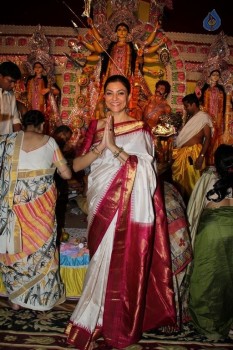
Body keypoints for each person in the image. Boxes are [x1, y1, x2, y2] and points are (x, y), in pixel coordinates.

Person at [65, 74, 176, 349]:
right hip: (101, 200)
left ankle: (111, 321)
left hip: (127, 204)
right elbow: (77, 166)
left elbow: (148, 171)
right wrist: (100, 147)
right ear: (104, 96)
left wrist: (114, 148)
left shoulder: (140, 128)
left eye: (121, 93)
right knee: (99, 259)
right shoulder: (95, 125)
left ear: (129, 97)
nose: (115, 98)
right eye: (110, 93)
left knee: (119, 260)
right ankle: (94, 315)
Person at [0, 110, 72, 311]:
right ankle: (43, 300)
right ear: (42, 125)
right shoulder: (49, 142)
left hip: (13, 206)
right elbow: (66, 174)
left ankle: (15, 299)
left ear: (22, 123)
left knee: (14, 249)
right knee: (42, 249)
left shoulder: (7, 141)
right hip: (41, 208)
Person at [187, 144, 233, 341]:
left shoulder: (208, 177)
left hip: (212, 230)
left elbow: (195, 206)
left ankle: (208, 325)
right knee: (228, 277)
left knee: (206, 276)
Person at [172, 93, 213, 203]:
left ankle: (193, 206)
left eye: (187, 106)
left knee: (192, 183)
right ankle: (183, 206)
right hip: (183, 153)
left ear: (194, 104)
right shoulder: (190, 118)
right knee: (180, 182)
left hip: (194, 153)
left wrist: (201, 157)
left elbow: (208, 138)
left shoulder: (203, 117)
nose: (186, 109)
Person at [196, 69, 226, 166]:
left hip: (218, 117)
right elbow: (199, 102)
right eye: (213, 74)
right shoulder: (205, 89)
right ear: (209, 76)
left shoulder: (221, 90)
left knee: (216, 137)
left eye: (217, 75)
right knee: (206, 137)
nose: (216, 76)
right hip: (206, 116)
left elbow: (223, 106)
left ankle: (213, 161)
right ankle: (204, 160)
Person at [26, 61, 61, 135]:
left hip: (43, 108)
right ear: (33, 69)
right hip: (31, 107)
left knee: (42, 126)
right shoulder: (30, 80)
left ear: (43, 69)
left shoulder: (47, 80)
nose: (37, 69)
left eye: (39, 67)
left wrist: (49, 89)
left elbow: (57, 92)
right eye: (35, 67)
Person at [52, 124, 73, 241]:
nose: (65, 139)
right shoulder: (52, 142)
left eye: (67, 138)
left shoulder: (59, 144)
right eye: (65, 136)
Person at [0, 61, 22, 135]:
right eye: (10, 81)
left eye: (14, 82)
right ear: (0, 76)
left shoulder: (10, 94)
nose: (12, 85)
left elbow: (15, 120)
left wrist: (19, 140)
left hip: (7, 141)